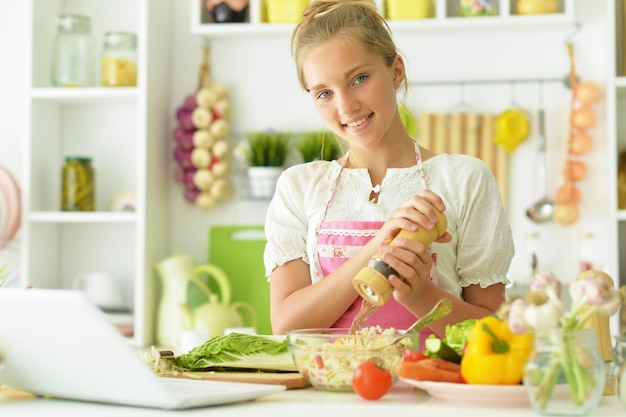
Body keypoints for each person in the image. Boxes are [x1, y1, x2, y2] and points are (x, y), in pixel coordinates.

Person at [264, 0, 514, 341]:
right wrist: (375, 251)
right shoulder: (299, 187)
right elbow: (287, 325)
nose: (346, 106)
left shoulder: (463, 181)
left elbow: (494, 337)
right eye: (324, 93)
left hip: (435, 391)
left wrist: (419, 295)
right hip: (326, 392)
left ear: (396, 71)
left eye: (359, 78)